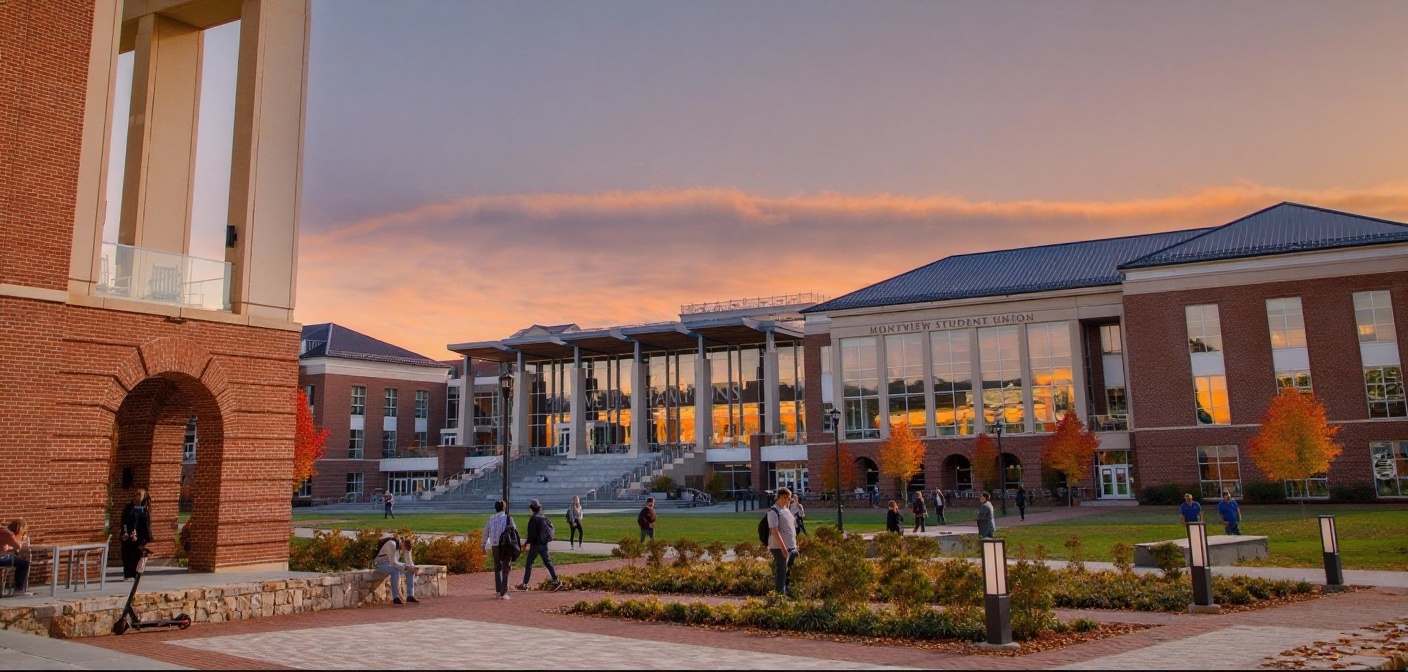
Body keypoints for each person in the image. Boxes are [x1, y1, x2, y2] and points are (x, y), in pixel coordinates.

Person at [518, 499, 561, 590]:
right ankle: (556, 580)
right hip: (544, 544)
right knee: (548, 562)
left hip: (535, 544)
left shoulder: (533, 519)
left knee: (529, 563)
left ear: (532, 508)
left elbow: (531, 535)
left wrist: (525, 544)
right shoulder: (543, 517)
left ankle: (525, 584)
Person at [766, 487, 798, 597]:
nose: (790, 500)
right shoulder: (774, 511)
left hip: (791, 545)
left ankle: (787, 592)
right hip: (779, 547)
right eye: (789, 498)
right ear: (782, 497)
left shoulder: (786, 509)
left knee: (789, 572)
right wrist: (783, 547)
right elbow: (774, 530)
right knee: (781, 572)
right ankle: (779, 596)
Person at [480, 500, 516, 600]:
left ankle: (498, 590)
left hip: (494, 545)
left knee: (497, 568)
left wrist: (484, 545)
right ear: (504, 508)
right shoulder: (508, 518)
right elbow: (514, 528)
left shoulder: (491, 519)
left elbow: (486, 532)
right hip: (505, 545)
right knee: (506, 568)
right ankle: (504, 592)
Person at [373, 534, 419, 605]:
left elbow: (409, 561)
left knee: (410, 570)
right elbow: (393, 562)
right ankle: (396, 598)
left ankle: (410, 596)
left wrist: (413, 569)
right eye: (404, 547)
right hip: (381, 564)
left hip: (392, 564)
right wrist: (406, 567)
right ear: (402, 542)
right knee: (395, 570)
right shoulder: (392, 544)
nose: (404, 550)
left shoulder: (406, 547)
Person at [119, 489, 153, 580]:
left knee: (136, 554)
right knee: (127, 554)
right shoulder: (129, 507)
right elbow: (124, 521)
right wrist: (125, 532)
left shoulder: (145, 510)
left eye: (139, 497)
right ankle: (127, 574)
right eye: (136, 497)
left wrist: (142, 537)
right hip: (128, 535)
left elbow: (146, 524)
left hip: (140, 536)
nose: (137, 499)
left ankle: (134, 573)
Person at [0, 520, 32, 596]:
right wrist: (20, 538)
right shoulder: (7, 533)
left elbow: (6, 547)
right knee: (24, 564)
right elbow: (18, 546)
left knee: (16, 559)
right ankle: (18, 589)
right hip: (2, 559)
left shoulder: (3, 532)